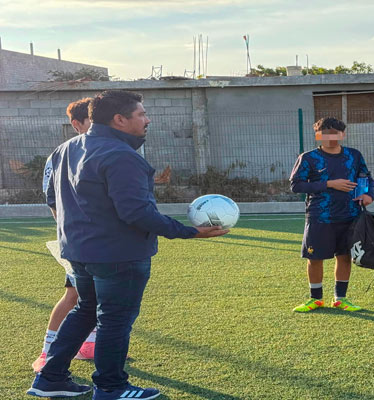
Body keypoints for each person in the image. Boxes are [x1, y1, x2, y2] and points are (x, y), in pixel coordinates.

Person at [27, 90, 228, 400]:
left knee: (85, 311)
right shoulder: (121, 155)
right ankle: (110, 387)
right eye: (141, 114)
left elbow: (55, 199)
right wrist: (191, 232)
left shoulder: (66, 149)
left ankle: (49, 378)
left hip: (79, 251)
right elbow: (136, 213)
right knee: (114, 320)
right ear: (119, 119)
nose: (148, 120)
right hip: (117, 254)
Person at [33, 98, 96, 373]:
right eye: (93, 121)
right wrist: (71, 234)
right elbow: (53, 199)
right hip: (79, 240)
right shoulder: (65, 153)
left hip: (97, 240)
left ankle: (89, 345)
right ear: (77, 124)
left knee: (95, 295)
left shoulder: (98, 149)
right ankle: (47, 353)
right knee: (73, 295)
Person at [289, 117, 374, 313]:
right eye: (325, 133)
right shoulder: (308, 158)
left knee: (344, 256)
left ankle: (340, 298)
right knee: (315, 258)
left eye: (335, 133)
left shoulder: (353, 155)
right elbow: (296, 185)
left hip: (350, 215)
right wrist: (328, 184)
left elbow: (366, 177)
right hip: (320, 216)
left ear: (342, 134)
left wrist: (369, 194)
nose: (331, 138)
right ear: (318, 135)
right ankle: (315, 299)